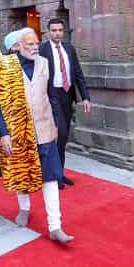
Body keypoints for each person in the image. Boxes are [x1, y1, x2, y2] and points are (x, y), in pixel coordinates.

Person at [0, 28, 74, 244]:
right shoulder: (4, 66)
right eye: (29, 44)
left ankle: (55, 226)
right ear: (17, 46)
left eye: (37, 43)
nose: (35, 47)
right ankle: (25, 208)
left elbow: (52, 96)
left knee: (51, 176)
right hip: (18, 131)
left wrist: (56, 124)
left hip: (45, 129)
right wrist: (4, 133)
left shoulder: (45, 63)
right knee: (22, 173)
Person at [39, 18, 90, 189]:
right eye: (54, 30)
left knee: (64, 135)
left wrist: (85, 97)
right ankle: (54, 175)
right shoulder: (42, 50)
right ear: (48, 32)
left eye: (60, 30)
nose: (57, 33)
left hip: (67, 95)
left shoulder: (69, 48)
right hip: (51, 96)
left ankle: (59, 172)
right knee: (59, 134)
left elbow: (78, 72)